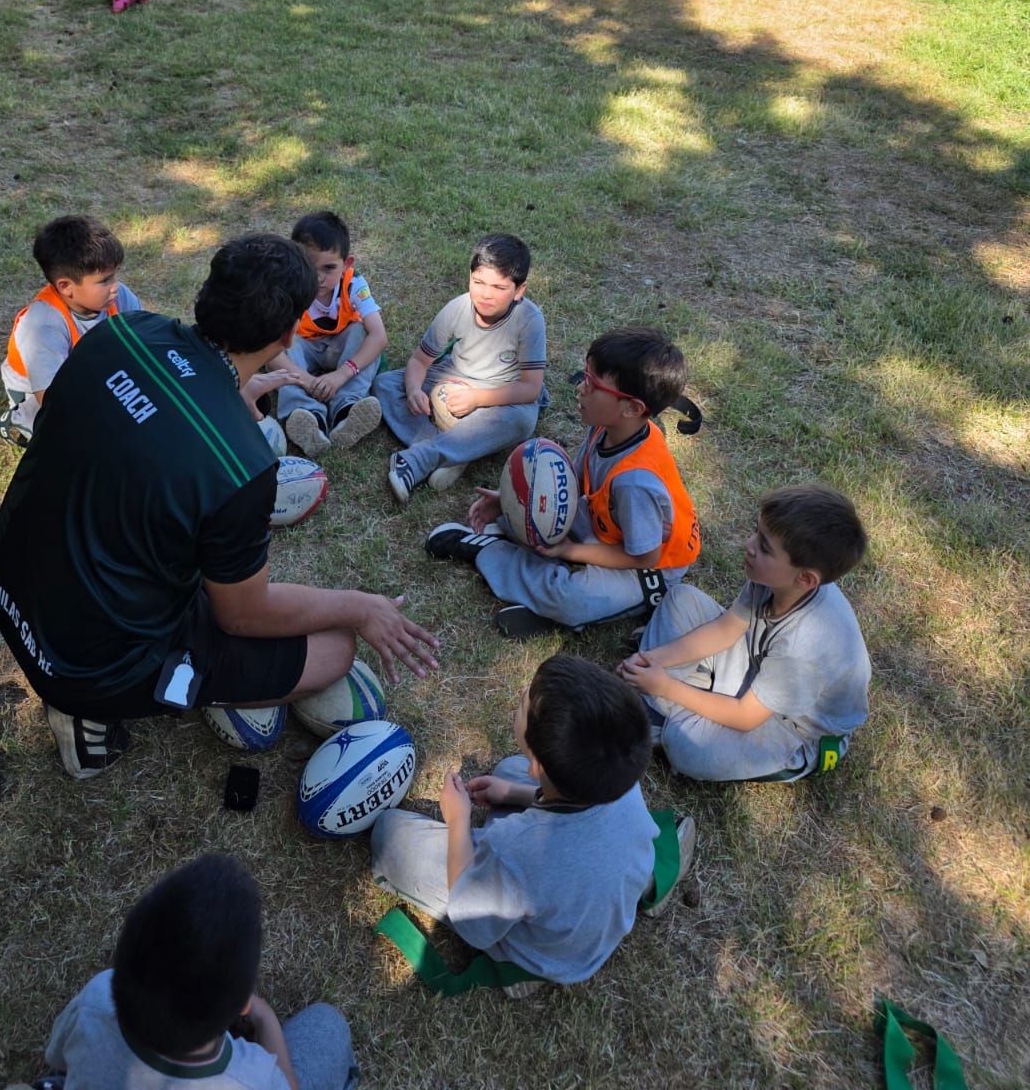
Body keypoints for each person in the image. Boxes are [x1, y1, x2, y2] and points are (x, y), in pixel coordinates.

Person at [0, 234, 438, 780]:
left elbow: (118, 429)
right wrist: (362, 607)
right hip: (83, 663)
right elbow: (244, 614)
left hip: (10, 582)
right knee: (335, 650)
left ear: (207, 293)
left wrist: (226, 397)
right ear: (288, 333)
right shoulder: (241, 463)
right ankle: (87, 714)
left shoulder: (121, 332)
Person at [370, 655, 693, 986]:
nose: (524, 691)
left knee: (387, 834)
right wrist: (513, 794)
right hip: (591, 895)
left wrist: (458, 820)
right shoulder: (618, 770)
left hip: (549, 952)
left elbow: (472, 922)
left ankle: (524, 970)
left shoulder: (516, 846)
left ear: (537, 764)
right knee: (509, 770)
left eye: (527, 702)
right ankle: (645, 882)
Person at [426, 328, 700, 640]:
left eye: (593, 384)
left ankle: (490, 553)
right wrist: (510, 499)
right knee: (538, 516)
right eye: (585, 376)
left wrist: (571, 551)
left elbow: (644, 557)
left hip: (650, 564)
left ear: (632, 408)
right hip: (611, 526)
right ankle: (545, 601)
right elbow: (574, 484)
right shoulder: (607, 427)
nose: (581, 389)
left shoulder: (634, 482)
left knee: (571, 600)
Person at [39, 853, 357, 1090]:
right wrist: (264, 1017)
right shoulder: (250, 1078)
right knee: (328, 1025)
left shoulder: (95, 1000)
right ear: (239, 1007)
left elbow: (58, 1059)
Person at [619, 485, 871, 782]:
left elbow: (745, 717)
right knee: (681, 600)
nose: (749, 545)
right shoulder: (775, 578)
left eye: (765, 547)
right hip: (756, 664)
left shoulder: (804, 645)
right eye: (756, 532)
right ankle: (677, 702)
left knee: (688, 747)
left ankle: (670, 711)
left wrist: (665, 686)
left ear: (805, 578)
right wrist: (651, 658)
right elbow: (726, 630)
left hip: (789, 725)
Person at [375, 233, 546, 504]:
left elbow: (531, 388)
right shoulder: (457, 308)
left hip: (502, 393)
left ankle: (419, 458)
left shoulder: (530, 319)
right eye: (478, 282)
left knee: (523, 420)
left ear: (519, 290)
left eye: (499, 288)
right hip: (454, 375)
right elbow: (419, 361)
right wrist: (413, 390)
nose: (486, 295)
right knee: (385, 383)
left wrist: (478, 398)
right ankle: (456, 450)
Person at [0, 214, 142, 445]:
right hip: (39, 397)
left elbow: (143, 344)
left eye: (115, 275)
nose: (116, 287)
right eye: (105, 280)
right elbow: (53, 400)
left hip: (95, 375)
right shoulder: (42, 325)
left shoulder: (119, 296)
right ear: (66, 287)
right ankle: (20, 420)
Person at [266, 211, 387, 458]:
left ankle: (347, 409)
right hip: (302, 350)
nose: (319, 277)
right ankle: (307, 415)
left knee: (364, 334)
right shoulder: (287, 288)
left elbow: (379, 336)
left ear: (347, 264)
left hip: (342, 350)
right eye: (309, 267)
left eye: (329, 268)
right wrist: (307, 381)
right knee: (281, 342)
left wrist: (342, 374)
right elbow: (269, 351)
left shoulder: (354, 284)